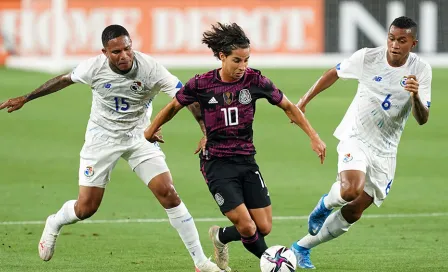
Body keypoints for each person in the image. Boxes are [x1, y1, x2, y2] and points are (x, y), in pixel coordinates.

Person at [0, 24, 223, 272]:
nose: (124, 55)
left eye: (127, 49)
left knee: (168, 192)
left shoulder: (151, 68)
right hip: (101, 139)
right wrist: (26, 97)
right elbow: (63, 80)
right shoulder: (93, 67)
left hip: (140, 137)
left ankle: (200, 262)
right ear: (105, 52)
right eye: (116, 52)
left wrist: (206, 132)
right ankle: (54, 221)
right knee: (86, 209)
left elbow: (186, 98)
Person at [144, 22, 327, 270]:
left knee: (263, 227)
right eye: (237, 60)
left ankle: (220, 237)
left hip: (246, 161)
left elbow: (288, 106)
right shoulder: (201, 84)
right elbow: (173, 106)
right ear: (222, 57)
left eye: (246, 60)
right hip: (216, 164)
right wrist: (150, 129)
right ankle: (274, 263)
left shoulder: (255, 81)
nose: (243, 67)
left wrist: (314, 136)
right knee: (248, 227)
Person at [290, 16, 432, 269]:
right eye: (391, 38)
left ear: (413, 43)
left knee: (355, 210)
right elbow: (333, 73)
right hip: (356, 135)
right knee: (349, 190)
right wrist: (303, 101)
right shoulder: (368, 57)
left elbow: (422, 119)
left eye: (402, 40)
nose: (394, 45)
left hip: (386, 149)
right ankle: (324, 204)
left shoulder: (421, 70)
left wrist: (415, 96)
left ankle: (301, 247)